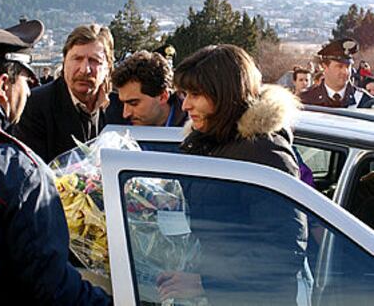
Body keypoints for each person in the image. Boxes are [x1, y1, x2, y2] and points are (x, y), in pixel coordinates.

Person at [0, 21, 111, 305]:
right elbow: (52, 287)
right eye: (25, 82)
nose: (29, 92)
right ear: (4, 86)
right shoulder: (18, 172)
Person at [156, 44, 307, 305]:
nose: (186, 104)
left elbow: (283, 252)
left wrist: (205, 281)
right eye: (184, 94)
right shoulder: (212, 143)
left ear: (224, 95)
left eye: (195, 94)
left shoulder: (263, 153)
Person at [13, 24, 123, 163]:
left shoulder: (122, 106)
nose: (85, 70)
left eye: (95, 61)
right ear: (64, 62)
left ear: (108, 67)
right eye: (77, 59)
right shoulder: (36, 105)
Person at [111, 50, 187, 126]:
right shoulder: (113, 122)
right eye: (123, 103)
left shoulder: (194, 127)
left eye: (134, 103)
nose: (126, 114)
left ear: (163, 97)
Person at [300, 38, 374, 108]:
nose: (345, 71)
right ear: (325, 67)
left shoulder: (365, 101)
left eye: (348, 66)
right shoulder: (306, 100)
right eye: (339, 66)